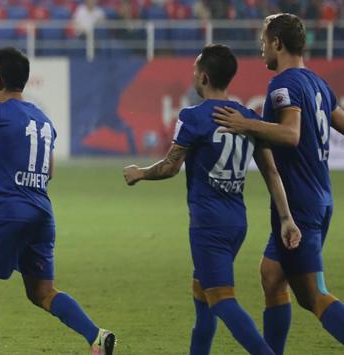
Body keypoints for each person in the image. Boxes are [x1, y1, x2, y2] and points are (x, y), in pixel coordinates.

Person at [122, 44, 302, 355]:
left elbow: (169, 167)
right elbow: (271, 171)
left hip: (209, 224)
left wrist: (140, 173)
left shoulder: (193, 116)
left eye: (194, 70)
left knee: (221, 301)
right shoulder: (247, 118)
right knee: (202, 299)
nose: (193, 76)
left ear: (203, 77)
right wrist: (286, 217)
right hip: (236, 221)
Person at [0, 47, 115, 355]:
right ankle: (96, 336)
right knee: (42, 291)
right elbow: (47, 170)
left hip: (8, 212)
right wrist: (2, 176)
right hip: (41, 211)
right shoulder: (43, 119)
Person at [212, 13, 344, 353]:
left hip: (299, 204)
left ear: (277, 43)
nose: (261, 48)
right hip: (318, 198)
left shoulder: (283, 84)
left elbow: (290, 134)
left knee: (313, 295)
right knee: (272, 276)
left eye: (263, 41)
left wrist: (246, 124)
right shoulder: (317, 83)